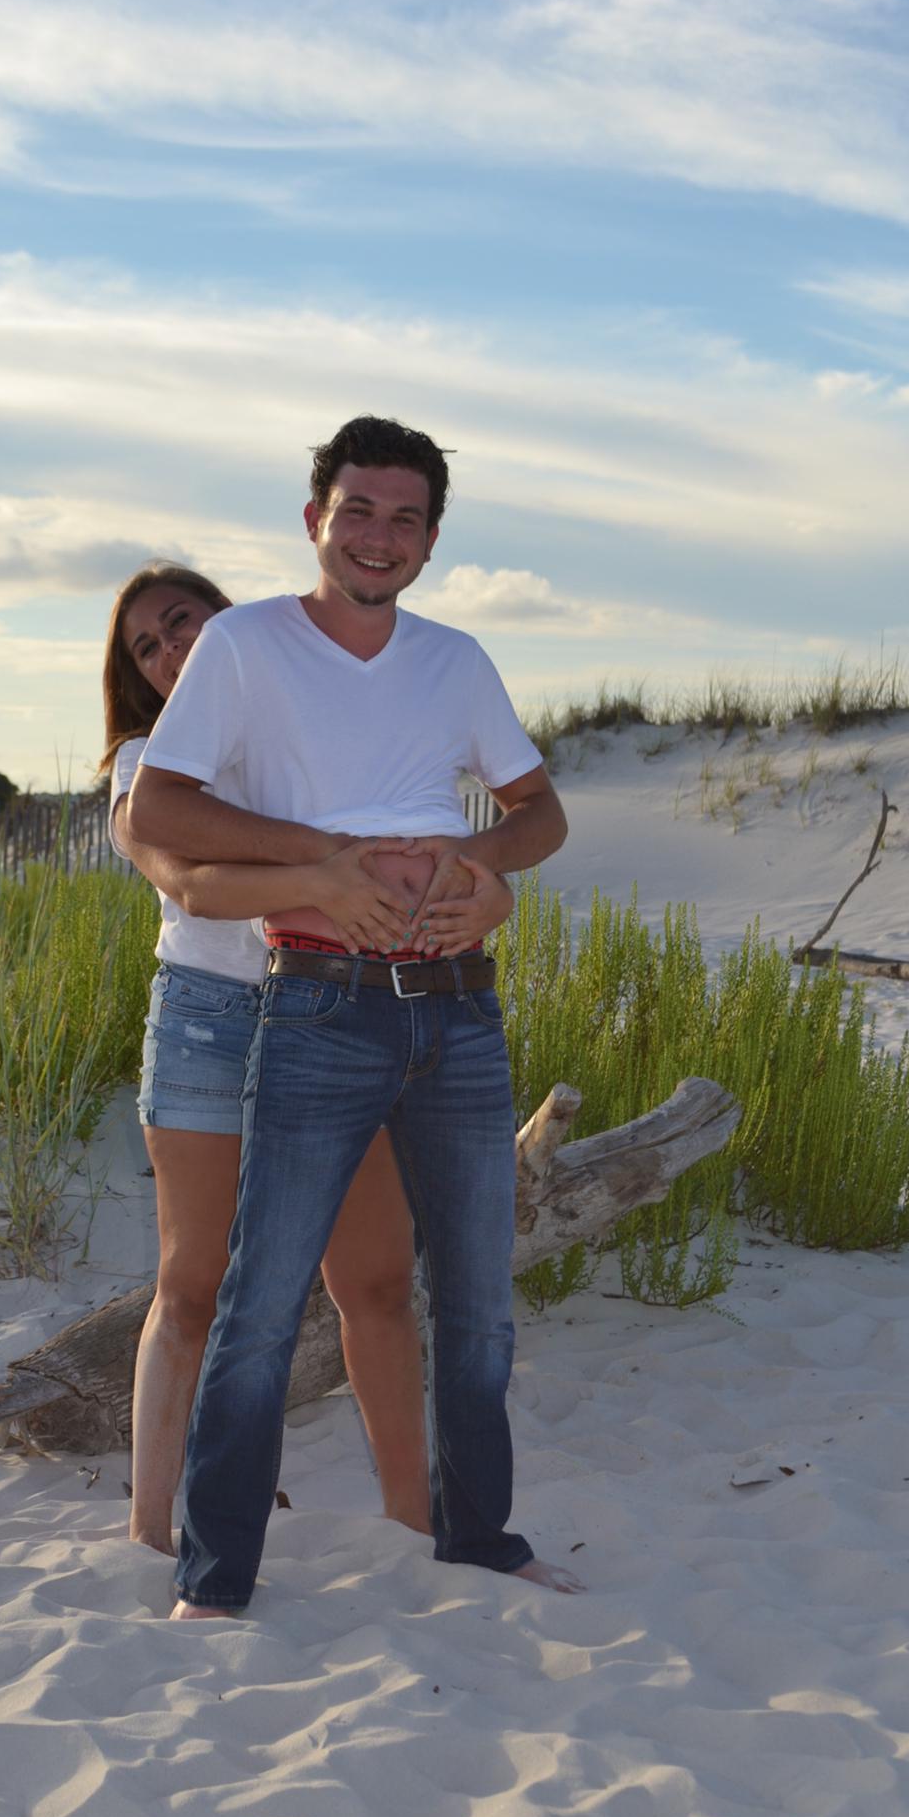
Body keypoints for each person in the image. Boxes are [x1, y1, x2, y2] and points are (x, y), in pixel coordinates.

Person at [127, 415, 587, 1617]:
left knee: (476, 1303)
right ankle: (214, 1576)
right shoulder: (244, 643)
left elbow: (539, 810)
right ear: (313, 519)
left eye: (405, 517)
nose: (379, 536)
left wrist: (486, 866)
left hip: (459, 1010)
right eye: (357, 510)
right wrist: (322, 861)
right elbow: (159, 809)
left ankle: (477, 1537)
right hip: (320, 1003)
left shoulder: (455, 660)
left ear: (430, 539)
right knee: (260, 1299)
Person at [101, 562, 516, 1556]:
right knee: (192, 1284)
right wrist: (325, 875)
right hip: (211, 1019)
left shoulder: (317, 732)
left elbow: (430, 846)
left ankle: (412, 1522)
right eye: (146, 648)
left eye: (181, 623)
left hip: (343, 1009)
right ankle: (152, 1530)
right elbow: (188, 880)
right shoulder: (146, 763)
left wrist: (475, 888)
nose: (169, 652)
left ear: (231, 623)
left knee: (373, 1282)